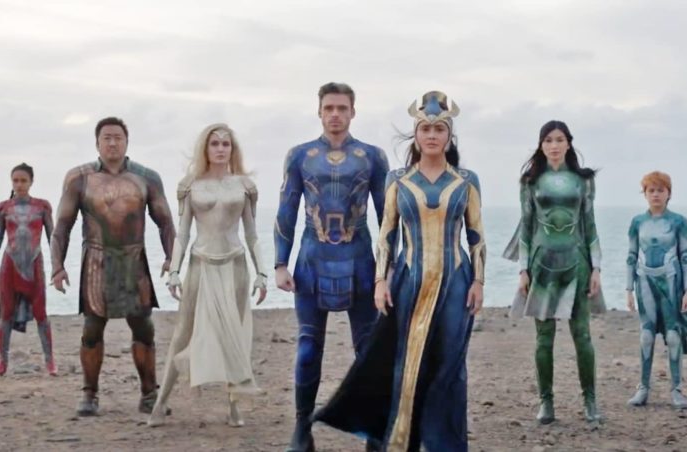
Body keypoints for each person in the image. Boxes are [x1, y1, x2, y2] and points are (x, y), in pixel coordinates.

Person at [314, 91, 485, 452]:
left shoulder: (466, 180)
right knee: (405, 363)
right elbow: (386, 235)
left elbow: (476, 236)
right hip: (409, 283)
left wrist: (479, 282)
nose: (432, 135)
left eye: (439, 129)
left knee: (451, 366)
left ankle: (446, 445)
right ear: (416, 134)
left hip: (456, 284)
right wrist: (380, 281)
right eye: (426, 129)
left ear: (449, 135)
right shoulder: (398, 179)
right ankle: (399, 440)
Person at [274, 82, 389, 452]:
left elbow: (388, 217)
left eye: (342, 108)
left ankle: (374, 430)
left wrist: (389, 269)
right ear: (319, 112)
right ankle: (301, 428)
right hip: (312, 262)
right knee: (309, 348)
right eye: (329, 108)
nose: (335, 114)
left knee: (367, 352)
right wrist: (280, 263)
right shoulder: (300, 156)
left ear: (353, 111)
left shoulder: (372, 156)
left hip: (361, 264)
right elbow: (287, 209)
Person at [51, 117, 176, 416]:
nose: (112, 143)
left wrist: (172, 259)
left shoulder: (147, 177)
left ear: (126, 142)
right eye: (106, 137)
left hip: (134, 261)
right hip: (96, 261)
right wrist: (57, 266)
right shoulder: (79, 178)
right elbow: (62, 226)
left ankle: (149, 394)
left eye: (118, 137)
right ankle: (89, 394)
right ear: (97, 143)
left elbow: (166, 222)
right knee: (92, 329)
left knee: (143, 327)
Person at [147, 123, 268, 427]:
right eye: (215, 143)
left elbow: (252, 234)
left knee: (234, 334)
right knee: (182, 333)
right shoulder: (191, 185)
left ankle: (234, 406)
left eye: (226, 144)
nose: (220, 148)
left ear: (232, 149)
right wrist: (174, 270)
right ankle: (161, 403)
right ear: (206, 147)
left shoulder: (244, 186)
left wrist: (262, 272)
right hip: (200, 264)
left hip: (235, 264)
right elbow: (183, 232)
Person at [503, 120, 605, 425]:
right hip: (542, 264)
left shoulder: (583, 180)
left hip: (577, 262)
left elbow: (589, 224)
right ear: (541, 145)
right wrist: (523, 270)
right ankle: (546, 402)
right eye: (548, 140)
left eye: (559, 139)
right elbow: (526, 226)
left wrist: (597, 268)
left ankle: (590, 401)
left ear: (568, 143)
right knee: (544, 338)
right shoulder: (530, 181)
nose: (554, 145)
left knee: (582, 335)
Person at [625, 171, 687, 409]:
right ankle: (643, 388)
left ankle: (676, 389)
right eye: (651, 190)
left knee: (673, 336)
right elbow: (631, 255)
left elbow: (686, 255)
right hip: (645, 281)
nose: (656, 194)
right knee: (646, 336)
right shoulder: (638, 222)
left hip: (671, 282)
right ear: (645, 194)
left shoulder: (678, 221)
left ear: (669, 193)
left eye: (660, 190)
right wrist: (628, 289)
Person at [0, 163, 57, 376]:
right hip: (10, 265)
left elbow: (52, 237)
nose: (19, 184)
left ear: (31, 182)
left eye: (23, 180)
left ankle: (50, 361)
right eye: (15, 180)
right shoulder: (4, 208)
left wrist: (58, 266)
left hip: (34, 264)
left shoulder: (42, 206)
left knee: (41, 313)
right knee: (6, 313)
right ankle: (2, 362)